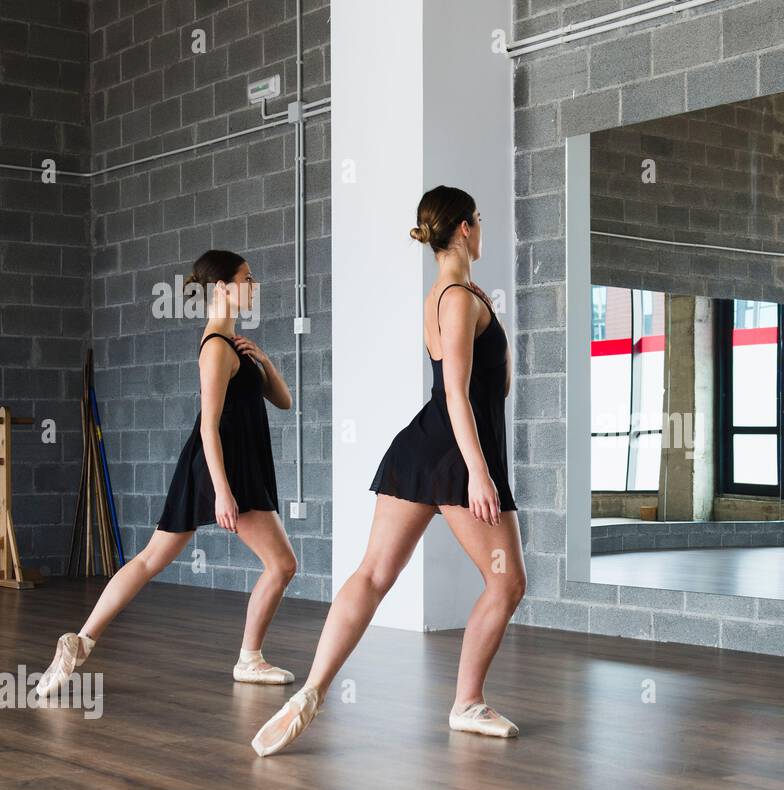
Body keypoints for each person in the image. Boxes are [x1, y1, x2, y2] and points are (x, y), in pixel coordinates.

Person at [251, 186, 526, 757]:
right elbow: (456, 391)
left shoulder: (450, 293)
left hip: (424, 450)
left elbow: (478, 385)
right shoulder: (458, 299)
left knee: (373, 575)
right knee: (506, 581)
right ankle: (467, 702)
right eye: (479, 218)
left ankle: (312, 691)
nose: (482, 226)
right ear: (467, 229)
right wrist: (478, 471)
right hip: (453, 453)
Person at [35, 250, 297, 698]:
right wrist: (222, 491)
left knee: (151, 559)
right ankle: (248, 659)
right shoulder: (215, 347)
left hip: (232, 465)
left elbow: (284, 401)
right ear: (222, 289)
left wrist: (265, 362)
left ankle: (80, 643)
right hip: (220, 467)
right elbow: (209, 426)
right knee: (281, 563)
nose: (255, 286)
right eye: (247, 278)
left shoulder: (236, 345)